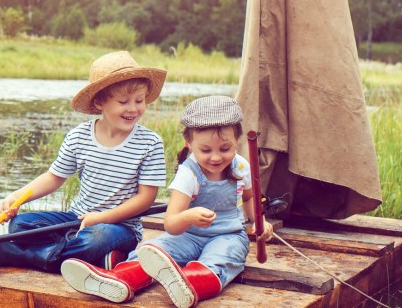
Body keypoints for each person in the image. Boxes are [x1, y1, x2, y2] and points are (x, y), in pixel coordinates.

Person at [61, 95, 274, 308]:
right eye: (206, 150)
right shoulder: (188, 174)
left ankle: (190, 283)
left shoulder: (242, 167)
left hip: (228, 235)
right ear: (189, 144)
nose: (216, 158)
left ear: (237, 140)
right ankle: (120, 279)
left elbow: (249, 199)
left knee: (223, 257)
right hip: (187, 235)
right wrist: (188, 216)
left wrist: (259, 221)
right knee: (154, 250)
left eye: (225, 149)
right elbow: (171, 224)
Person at [0, 50, 168, 274]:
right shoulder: (79, 136)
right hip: (76, 219)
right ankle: (89, 260)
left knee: (97, 237)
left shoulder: (150, 143)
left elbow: (145, 198)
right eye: (123, 101)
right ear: (100, 102)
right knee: (20, 225)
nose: (133, 108)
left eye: (140, 100)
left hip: (119, 226)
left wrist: (102, 218)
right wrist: (16, 196)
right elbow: (53, 177)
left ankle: (24, 256)